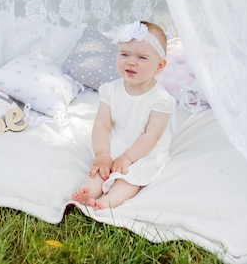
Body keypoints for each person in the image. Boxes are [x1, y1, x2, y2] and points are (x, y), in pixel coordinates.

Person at [71, 21, 176, 210]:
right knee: (100, 169)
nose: (131, 62)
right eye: (124, 54)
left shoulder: (161, 99)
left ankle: (107, 202)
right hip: (119, 138)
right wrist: (102, 154)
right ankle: (86, 193)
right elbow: (102, 124)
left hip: (145, 149)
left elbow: (151, 136)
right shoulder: (110, 90)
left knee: (130, 178)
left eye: (142, 58)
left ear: (159, 66)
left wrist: (127, 158)